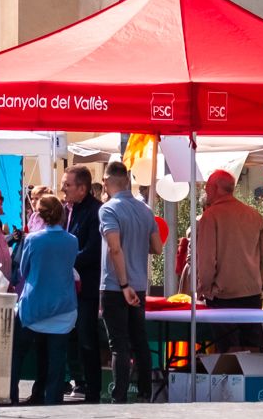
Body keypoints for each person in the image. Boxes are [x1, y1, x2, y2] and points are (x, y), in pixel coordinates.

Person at [190, 168, 263, 349]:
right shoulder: (254, 215)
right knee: (253, 347)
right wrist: (259, 283)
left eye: (207, 187)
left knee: (228, 351)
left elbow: (207, 260)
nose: (206, 191)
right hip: (252, 292)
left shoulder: (210, 216)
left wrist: (204, 288)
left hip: (223, 294)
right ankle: (255, 377)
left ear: (216, 188)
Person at [98, 160, 157, 403]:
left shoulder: (108, 209)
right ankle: (145, 392)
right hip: (140, 284)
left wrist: (123, 285)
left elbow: (114, 248)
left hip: (116, 286)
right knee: (140, 340)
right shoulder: (145, 210)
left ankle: (119, 397)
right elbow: (157, 247)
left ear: (107, 181)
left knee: (119, 345)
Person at [17, 194, 80, 405]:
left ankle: (11, 396)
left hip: (35, 307)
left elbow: (24, 270)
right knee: (57, 360)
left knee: (18, 354)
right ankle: (53, 402)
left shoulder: (33, 240)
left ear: (39, 215)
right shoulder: (72, 241)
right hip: (63, 308)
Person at [60, 166, 107, 401]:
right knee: (70, 338)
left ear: (82, 188)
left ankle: (93, 390)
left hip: (87, 288)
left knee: (87, 340)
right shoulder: (70, 209)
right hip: (70, 287)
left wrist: (66, 261)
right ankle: (75, 383)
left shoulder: (95, 212)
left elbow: (92, 251)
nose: (63, 189)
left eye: (67, 185)